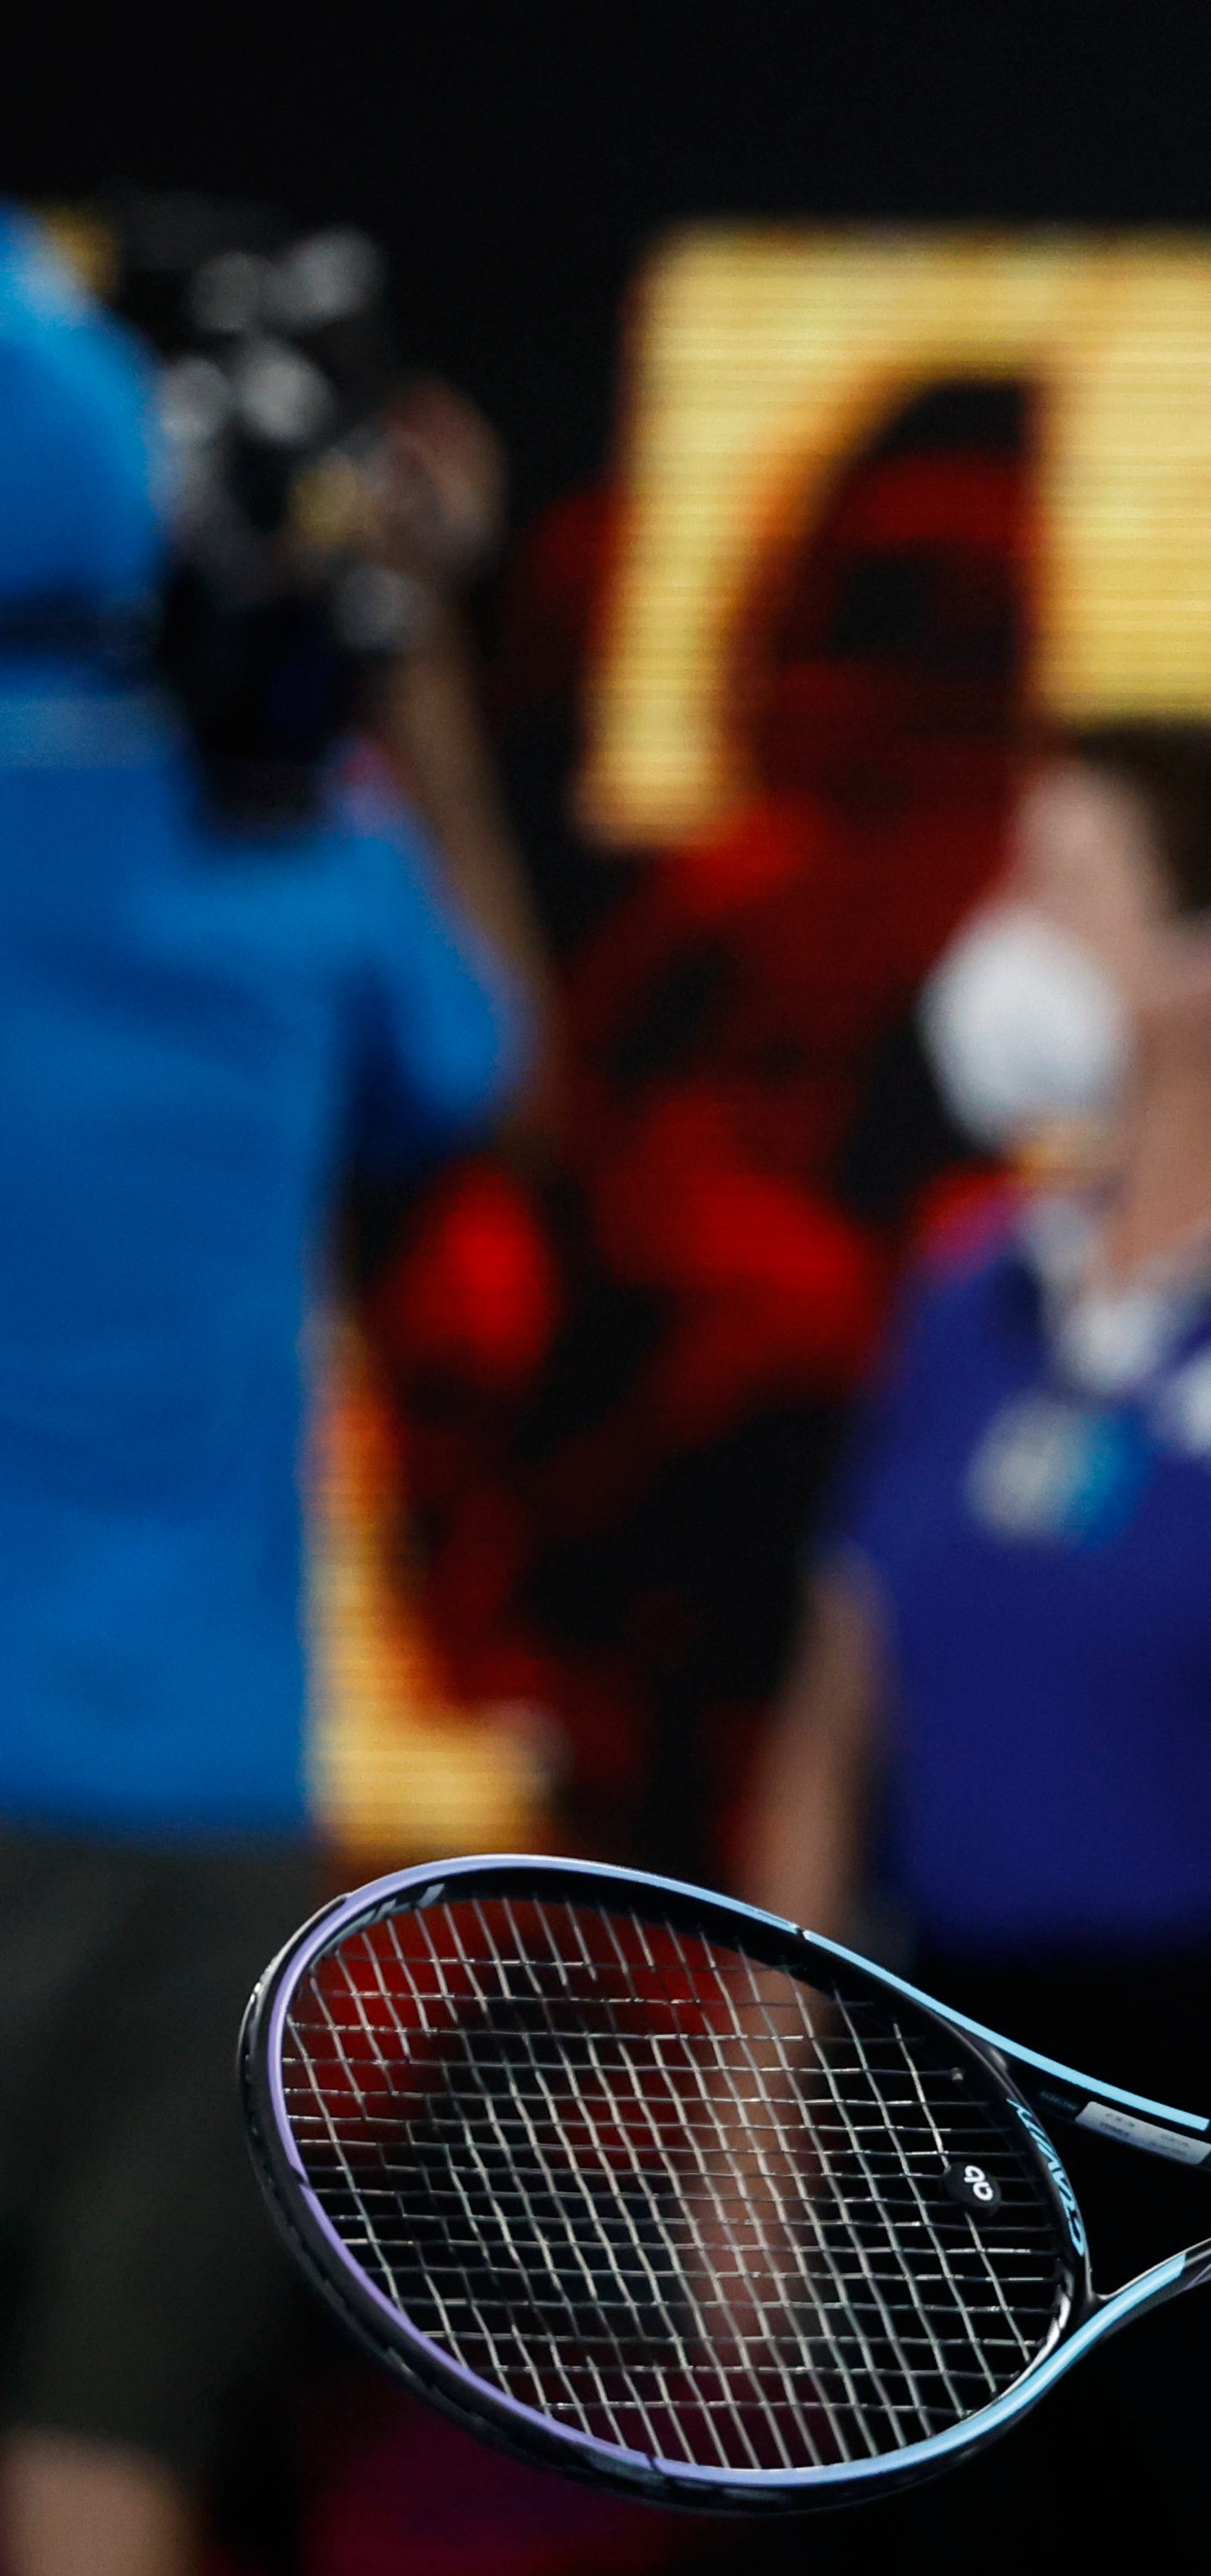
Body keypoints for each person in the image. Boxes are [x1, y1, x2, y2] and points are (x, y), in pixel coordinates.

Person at [740, 718, 1211, 2564]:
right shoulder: (972, 1284)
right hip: (942, 2085)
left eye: (1056, 887)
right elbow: (836, 1720)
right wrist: (755, 2122)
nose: (997, 934)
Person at [0, 213, 532, 2576]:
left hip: (173, 1792)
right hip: (188, 1800)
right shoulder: (304, 858)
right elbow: (493, 1063)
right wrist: (395, 641)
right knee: (100, 2457)